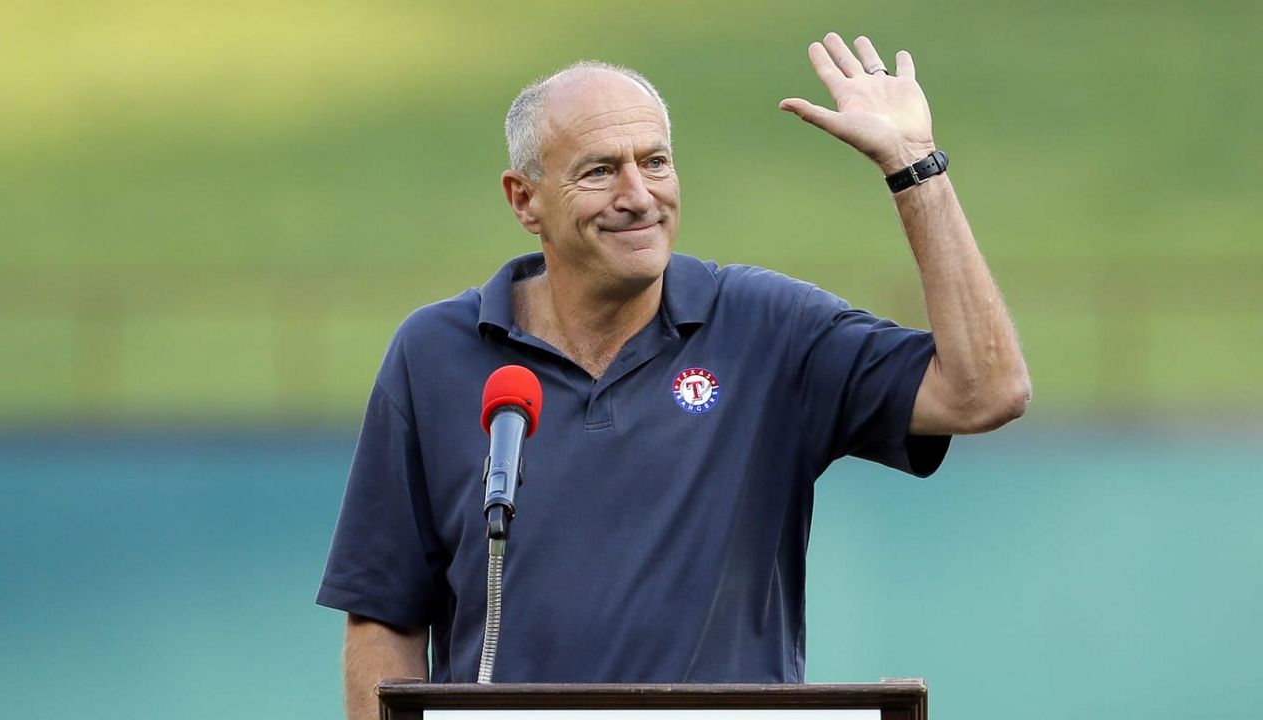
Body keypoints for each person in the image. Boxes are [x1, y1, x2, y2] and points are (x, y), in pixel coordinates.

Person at [318, 32, 1030, 717]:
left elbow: (985, 391)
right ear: (523, 200)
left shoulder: (767, 327)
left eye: (655, 162)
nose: (639, 195)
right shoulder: (434, 352)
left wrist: (914, 165)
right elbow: (383, 618)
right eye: (600, 170)